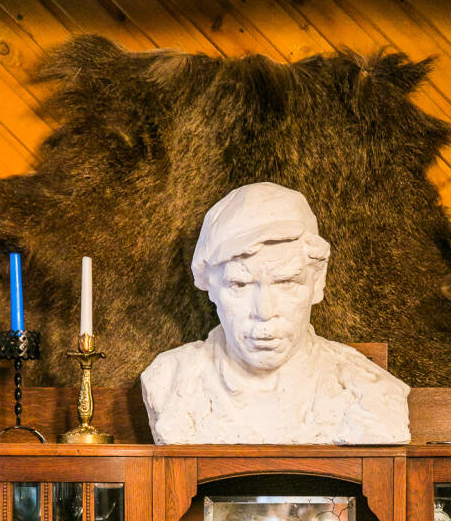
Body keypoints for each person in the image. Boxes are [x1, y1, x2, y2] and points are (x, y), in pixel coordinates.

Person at [141, 183, 410, 445]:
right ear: (210, 286)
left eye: (286, 282)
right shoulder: (169, 381)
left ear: (317, 282)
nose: (264, 311)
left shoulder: (372, 396)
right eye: (240, 284)